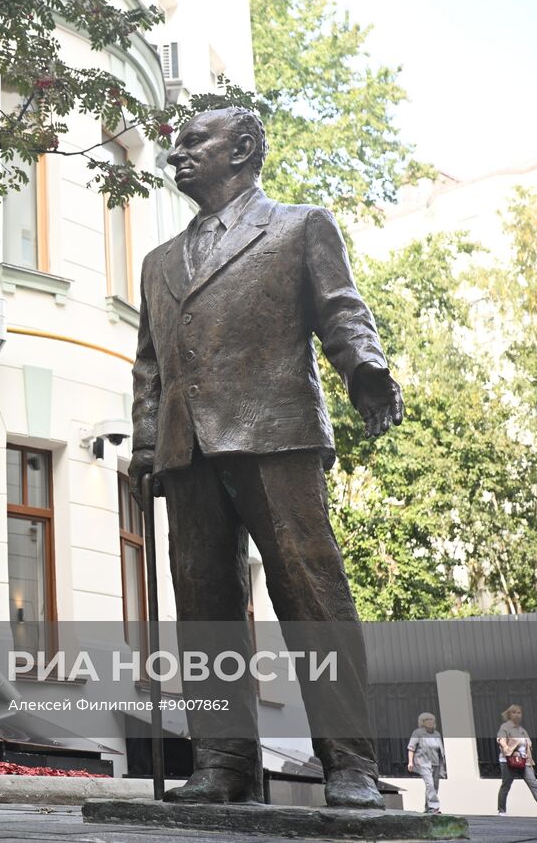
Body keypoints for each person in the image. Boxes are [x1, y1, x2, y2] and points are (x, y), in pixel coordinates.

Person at [130, 107, 405, 808]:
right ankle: (222, 761)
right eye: (176, 144)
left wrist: (365, 368)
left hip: (276, 434)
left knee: (312, 599)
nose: (177, 155)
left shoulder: (299, 226)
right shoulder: (158, 261)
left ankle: (349, 763)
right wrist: (143, 445)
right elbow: (149, 367)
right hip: (187, 447)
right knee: (203, 609)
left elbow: (341, 307)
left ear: (244, 148)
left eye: (195, 142)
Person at [497, 704, 537, 817]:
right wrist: (507, 748)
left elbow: (527, 745)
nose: (517, 715)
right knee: (506, 785)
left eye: (519, 712)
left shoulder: (522, 730)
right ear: (509, 714)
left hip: (523, 761)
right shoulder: (505, 727)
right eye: (514, 712)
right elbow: (501, 740)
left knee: (533, 784)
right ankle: (501, 811)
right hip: (508, 761)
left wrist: (529, 761)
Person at [407, 712, 447, 814]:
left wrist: (443, 765)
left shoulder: (437, 734)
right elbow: (411, 748)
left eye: (431, 719)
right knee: (430, 785)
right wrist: (410, 762)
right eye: (427, 720)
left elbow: (440, 750)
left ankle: (428, 808)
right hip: (423, 762)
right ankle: (434, 807)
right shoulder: (417, 733)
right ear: (422, 722)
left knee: (435, 785)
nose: (430, 722)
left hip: (436, 763)